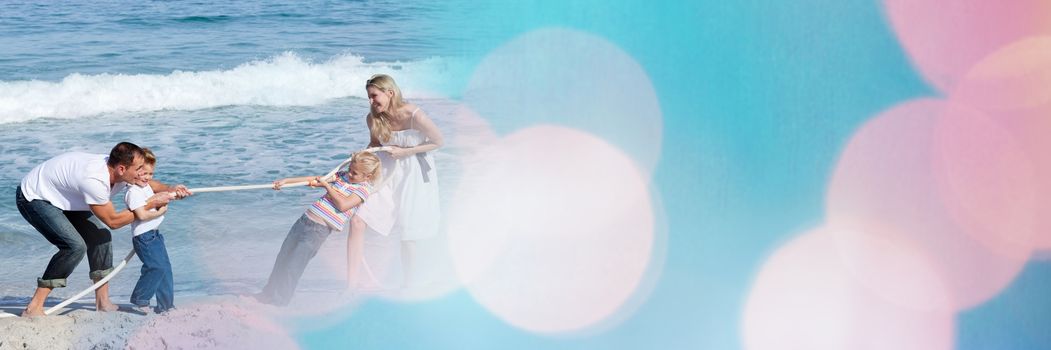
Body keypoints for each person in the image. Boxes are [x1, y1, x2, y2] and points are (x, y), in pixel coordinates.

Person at [15, 142, 190, 317]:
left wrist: (170, 189)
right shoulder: (95, 181)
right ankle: (34, 307)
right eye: (138, 169)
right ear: (122, 169)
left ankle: (102, 302)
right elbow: (113, 221)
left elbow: (147, 182)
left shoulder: (121, 171)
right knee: (75, 247)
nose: (141, 174)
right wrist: (151, 203)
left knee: (101, 237)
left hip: (67, 196)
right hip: (35, 197)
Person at [255, 151, 382, 306]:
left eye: (354, 173)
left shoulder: (363, 190)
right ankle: (268, 293)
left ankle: (280, 301)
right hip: (304, 221)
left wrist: (328, 186)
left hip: (317, 231)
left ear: (367, 176)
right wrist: (287, 181)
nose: (349, 174)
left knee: (294, 265)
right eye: (349, 169)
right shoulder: (341, 176)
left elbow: (343, 205)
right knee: (283, 258)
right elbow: (314, 180)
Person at [353, 74, 443, 287]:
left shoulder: (414, 115)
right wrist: (357, 162)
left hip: (415, 173)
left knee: (409, 234)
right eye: (368, 97)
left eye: (374, 96)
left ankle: (409, 285)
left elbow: (439, 141)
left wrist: (406, 152)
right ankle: (352, 284)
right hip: (386, 172)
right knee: (359, 218)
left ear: (390, 93)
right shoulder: (373, 118)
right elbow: (374, 146)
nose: (371, 102)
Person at [124, 148, 176, 314]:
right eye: (144, 173)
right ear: (134, 171)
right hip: (144, 237)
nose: (147, 178)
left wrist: (174, 192)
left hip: (155, 235)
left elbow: (157, 197)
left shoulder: (145, 187)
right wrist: (161, 211)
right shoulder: (133, 192)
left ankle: (166, 306)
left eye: (150, 174)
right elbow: (141, 214)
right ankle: (140, 298)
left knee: (165, 270)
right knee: (155, 268)